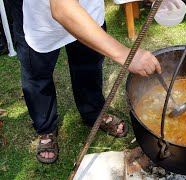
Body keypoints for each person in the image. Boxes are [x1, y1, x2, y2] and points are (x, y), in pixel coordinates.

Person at [9, 0, 164, 164]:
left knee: (88, 65)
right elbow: (63, 10)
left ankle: (93, 112)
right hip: (40, 16)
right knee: (38, 75)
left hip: (87, 10)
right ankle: (45, 127)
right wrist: (126, 55)